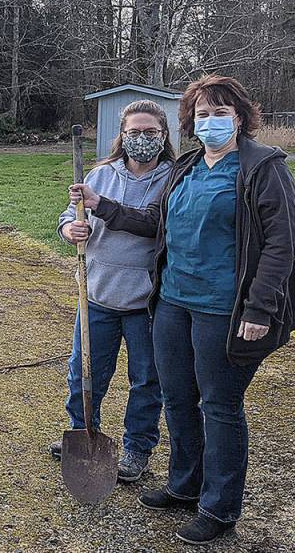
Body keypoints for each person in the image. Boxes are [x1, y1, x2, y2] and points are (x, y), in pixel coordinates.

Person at [69, 75, 295, 545]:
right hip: (173, 302)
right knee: (177, 399)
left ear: (240, 117)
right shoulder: (190, 166)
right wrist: (102, 206)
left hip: (225, 307)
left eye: (221, 113)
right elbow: (156, 221)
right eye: (202, 114)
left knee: (219, 406)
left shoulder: (262, 167)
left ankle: (219, 508)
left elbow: (282, 244)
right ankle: (183, 485)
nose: (211, 121)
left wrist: (259, 309)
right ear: (191, 122)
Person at [51, 99, 175, 483]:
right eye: (133, 132)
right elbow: (69, 215)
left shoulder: (174, 179)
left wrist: (100, 206)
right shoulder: (101, 174)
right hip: (97, 294)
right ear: (121, 136)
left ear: (164, 136)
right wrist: (68, 229)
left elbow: (155, 225)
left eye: (150, 132)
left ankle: (137, 448)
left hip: (145, 301)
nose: (141, 139)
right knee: (84, 372)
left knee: (146, 380)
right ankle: (82, 430)